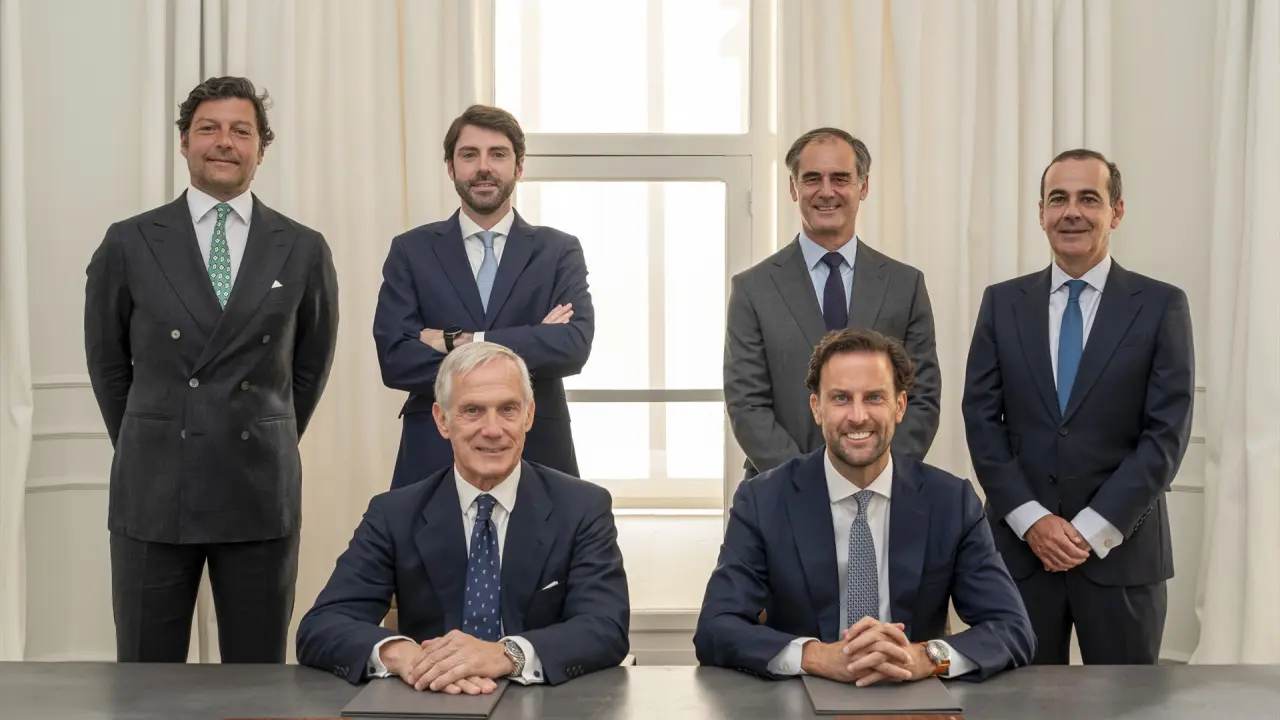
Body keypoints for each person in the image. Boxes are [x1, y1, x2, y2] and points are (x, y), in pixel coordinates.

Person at [84, 76, 338, 663]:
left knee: (256, 674)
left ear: (260, 149)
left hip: (259, 485)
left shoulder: (302, 247)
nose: (224, 142)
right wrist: (154, 433)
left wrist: (265, 430)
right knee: (146, 677)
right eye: (209, 129)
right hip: (154, 485)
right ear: (184, 142)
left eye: (241, 131)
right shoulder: (129, 242)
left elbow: (310, 367)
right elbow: (107, 366)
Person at [962, 149, 1195, 665]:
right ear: (1041, 212)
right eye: (1058, 199)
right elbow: (980, 420)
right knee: (1016, 701)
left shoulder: (1161, 305)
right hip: (1020, 557)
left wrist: (1091, 529)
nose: (1072, 212)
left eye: (1089, 199)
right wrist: (1032, 521)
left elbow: (1166, 434)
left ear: (1116, 211)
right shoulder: (1002, 303)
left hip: (1123, 557)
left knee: (1125, 703)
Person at [696, 329, 1033, 683]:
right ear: (817, 408)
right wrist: (816, 656)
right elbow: (715, 628)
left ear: (900, 406)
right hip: (801, 695)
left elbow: (1012, 628)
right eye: (841, 398)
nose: (858, 416)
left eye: (874, 397)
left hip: (916, 696)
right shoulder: (762, 501)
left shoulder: (952, 502)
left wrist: (926, 657)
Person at [297, 342, 629, 692]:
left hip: (542, 702)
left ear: (529, 416)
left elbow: (605, 627)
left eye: (508, 409)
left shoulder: (582, 507)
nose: (493, 429)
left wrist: (506, 654)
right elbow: (322, 626)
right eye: (473, 411)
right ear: (442, 420)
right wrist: (407, 657)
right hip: (431, 697)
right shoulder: (394, 514)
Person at [375, 104, 593, 489]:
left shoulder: (558, 251)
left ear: (519, 166)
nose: (483, 167)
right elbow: (396, 359)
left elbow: (572, 346)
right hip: (434, 450)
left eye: (498, 154)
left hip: (538, 447)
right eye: (469, 155)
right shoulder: (412, 250)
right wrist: (531, 338)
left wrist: (459, 341)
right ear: (450, 168)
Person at [725, 128, 940, 478]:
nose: (826, 191)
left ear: (863, 186)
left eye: (840, 178)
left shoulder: (906, 285)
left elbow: (922, 398)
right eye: (812, 179)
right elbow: (747, 404)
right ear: (793, 188)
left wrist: (873, 476)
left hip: (883, 490)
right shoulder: (752, 289)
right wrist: (807, 483)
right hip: (781, 489)